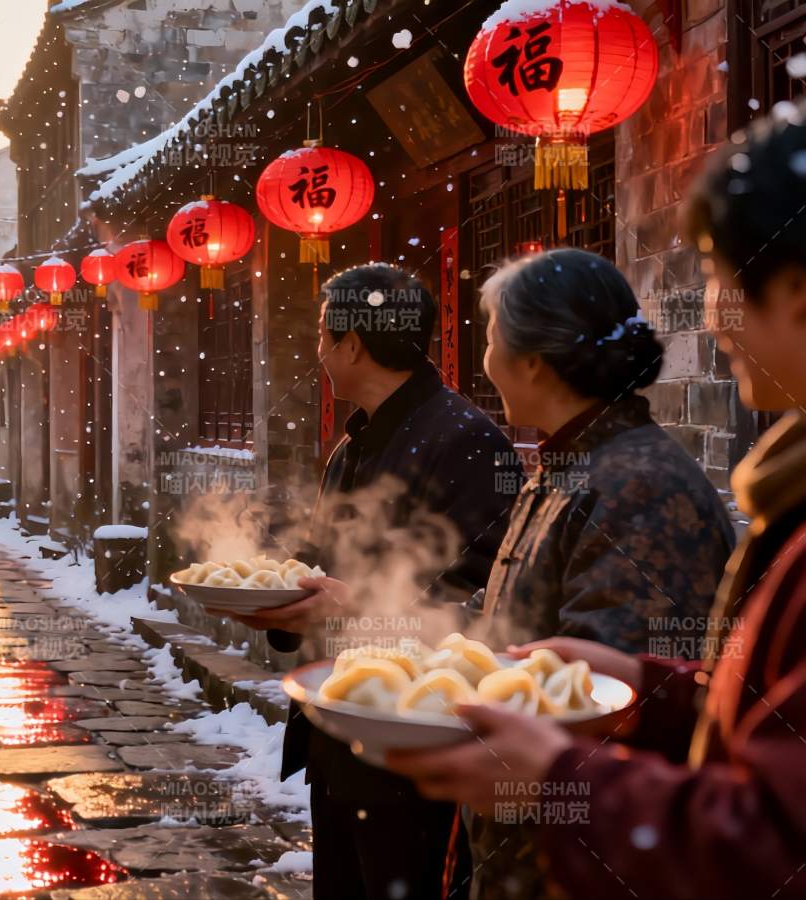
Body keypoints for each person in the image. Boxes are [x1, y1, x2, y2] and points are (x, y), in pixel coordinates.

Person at [386, 103, 806, 900]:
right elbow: (728, 707)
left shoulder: (637, 484)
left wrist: (556, 775)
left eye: (720, 280)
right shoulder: (570, 463)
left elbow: (769, 835)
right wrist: (644, 683)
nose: (711, 315)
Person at [218, 263, 520, 900]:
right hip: (338, 728)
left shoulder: (465, 441)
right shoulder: (355, 442)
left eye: (322, 335)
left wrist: (357, 611)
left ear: (352, 344)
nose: (318, 352)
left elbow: (488, 607)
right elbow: (320, 565)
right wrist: (279, 597)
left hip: (414, 746)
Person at [452, 248, 734, 900]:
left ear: (532, 360)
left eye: (490, 339)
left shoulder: (638, 486)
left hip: (581, 861)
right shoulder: (572, 463)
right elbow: (519, 634)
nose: (484, 360)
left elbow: (595, 695)